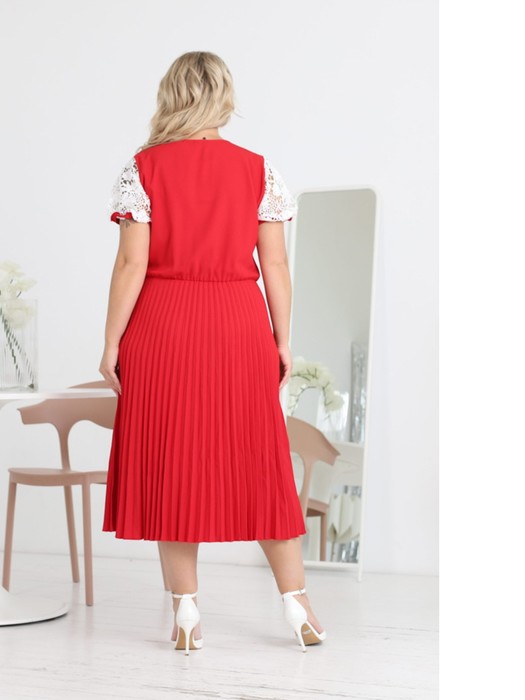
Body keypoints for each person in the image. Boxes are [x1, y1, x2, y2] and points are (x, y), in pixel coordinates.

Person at [98, 50, 325, 653]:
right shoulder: (259, 170)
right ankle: (296, 602)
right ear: (224, 96)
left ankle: (186, 612)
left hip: (163, 325)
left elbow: (131, 264)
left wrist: (111, 342)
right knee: (262, 461)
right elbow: (275, 264)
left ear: (171, 94)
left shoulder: (143, 168)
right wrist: (281, 340)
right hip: (239, 323)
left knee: (173, 463)